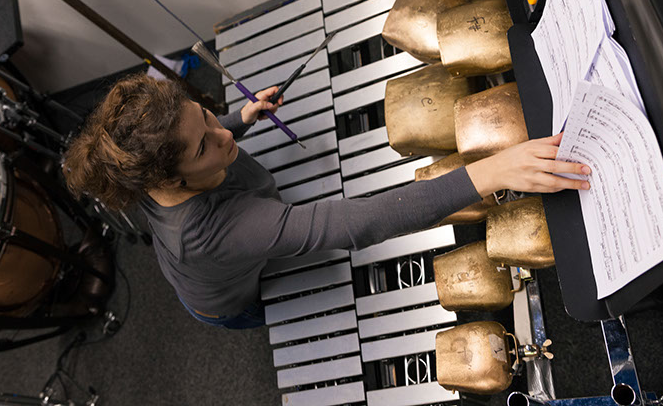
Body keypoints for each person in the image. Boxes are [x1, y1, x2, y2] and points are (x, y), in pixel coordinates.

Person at [62, 74, 590, 329]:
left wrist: (236, 119)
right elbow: (355, 223)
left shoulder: (155, 165)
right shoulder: (214, 232)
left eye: (206, 116)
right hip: (226, 301)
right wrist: (492, 171)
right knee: (284, 311)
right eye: (205, 145)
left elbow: (203, 132)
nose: (223, 139)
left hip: (219, 232)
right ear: (169, 180)